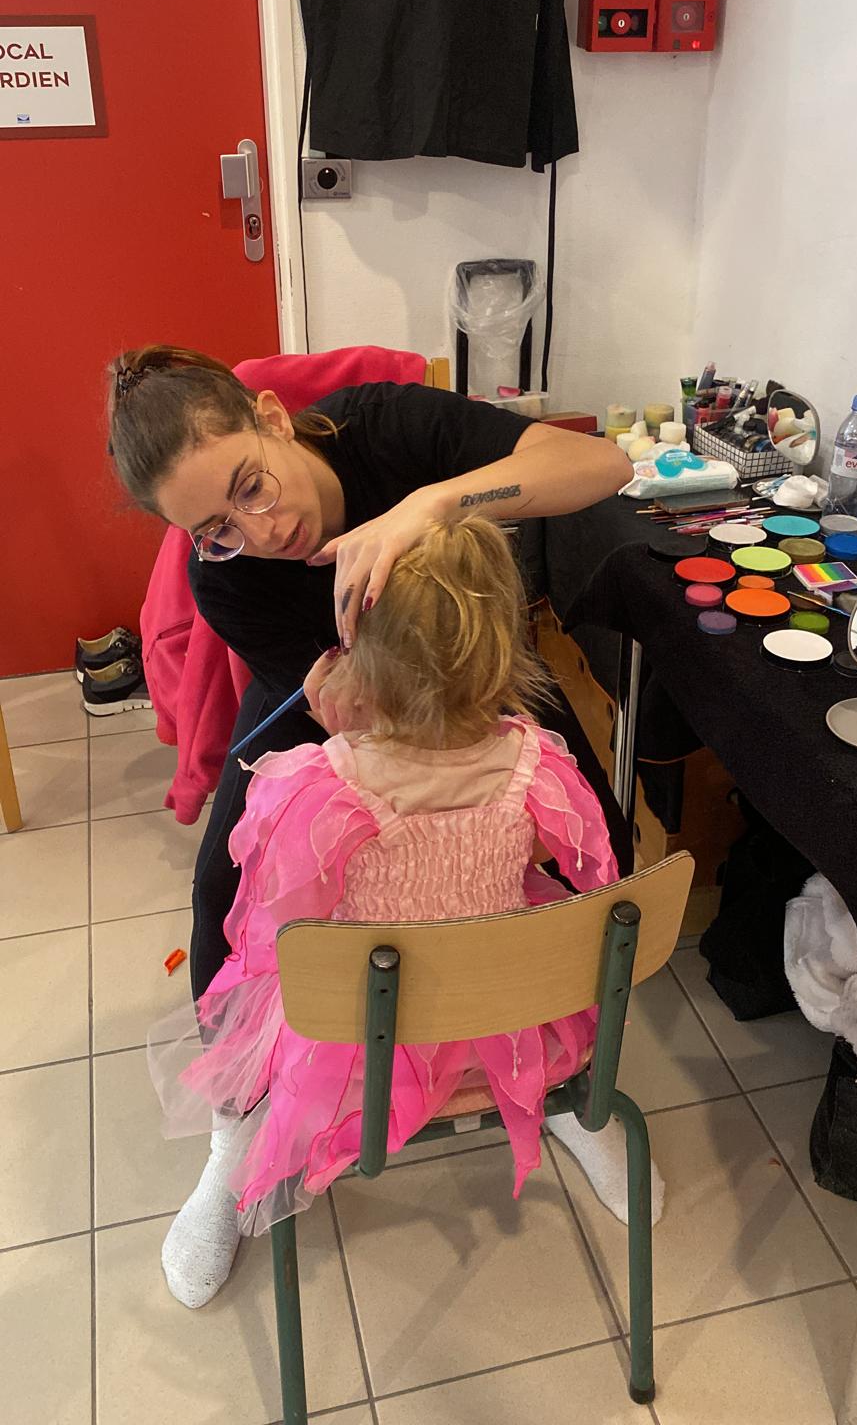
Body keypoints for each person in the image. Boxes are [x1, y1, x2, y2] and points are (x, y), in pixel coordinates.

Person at [107, 345, 636, 1305]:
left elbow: (600, 465)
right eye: (216, 528)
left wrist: (431, 504)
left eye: (250, 487)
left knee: (596, 839)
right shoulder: (226, 580)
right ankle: (237, 1135)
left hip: (472, 673)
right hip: (334, 695)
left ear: (273, 418)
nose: (259, 531)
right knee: (225, 887)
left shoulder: (385, 428)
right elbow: (336, 707)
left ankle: (567, 1084)